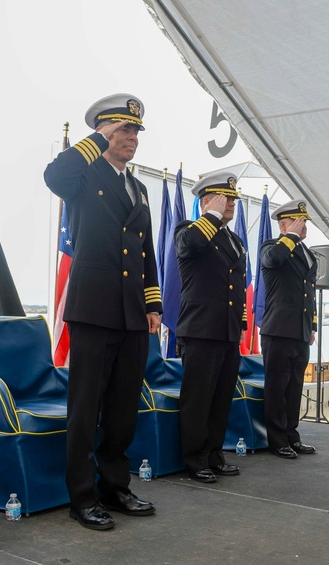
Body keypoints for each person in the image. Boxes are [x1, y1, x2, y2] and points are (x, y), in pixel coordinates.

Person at [43, 94, 162, 530]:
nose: (131, 137)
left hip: (131, 311)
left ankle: (115, 486)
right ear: (104, 131)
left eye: (135, 131)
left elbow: (146, 250)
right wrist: (95, 140)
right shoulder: (83, 173)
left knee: (122, 408)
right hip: (92, 307)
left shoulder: (139, 188)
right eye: (123, 130)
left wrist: (152, 302)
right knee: (85, 406)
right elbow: (53, 176)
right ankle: (82, 496)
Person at [174, 170, 247, 483]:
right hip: (200, 329)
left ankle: (215, 455)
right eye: (225, 198)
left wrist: (241, 323)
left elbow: (238, 285)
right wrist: (212, 214)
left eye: (232, 199)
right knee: (198, 398)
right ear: (207, 200)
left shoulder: (234, 239)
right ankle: (195, 459)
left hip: (227, 331)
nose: (231, 204)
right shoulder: (189, 230)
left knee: (220, 399)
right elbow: (189, 245)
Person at [259, 199, 318, 459]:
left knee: (294, 387)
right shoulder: (272, 247)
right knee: (277, 387)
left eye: (304, 222)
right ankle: (277, 439)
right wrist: (290, 236)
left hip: (300, 331)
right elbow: (273, 259)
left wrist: (312, 326)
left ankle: (292, 436)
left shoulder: (308, 254)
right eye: (298, 221)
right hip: (278, 329)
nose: (303, 226)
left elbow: (310, 294)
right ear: (283, 225)